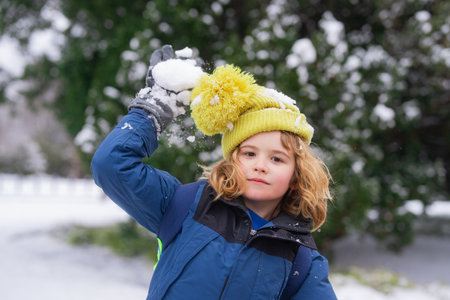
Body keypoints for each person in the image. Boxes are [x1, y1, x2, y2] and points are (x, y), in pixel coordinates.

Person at [91, 45, 337, 300]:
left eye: (277, 158)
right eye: (249, 154)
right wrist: (152, 111)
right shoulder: (185, 205)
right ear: (232, 161)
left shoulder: (301, 260)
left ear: (296, 178)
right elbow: (110, 165)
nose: (260, 165)